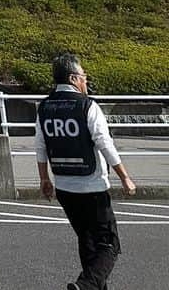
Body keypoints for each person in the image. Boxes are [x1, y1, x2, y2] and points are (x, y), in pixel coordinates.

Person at [36, 51, 135, 290]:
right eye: (83, 76)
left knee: (87, 241)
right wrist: (125, 177)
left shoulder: (45, 107)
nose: (85, 81)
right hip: (91, 186)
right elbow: (104, 143)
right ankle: (85, 286)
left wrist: (44, 179)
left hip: (64, 187)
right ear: (72, 78)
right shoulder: (87, 106)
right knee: (109, 244)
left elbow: (40, 146)